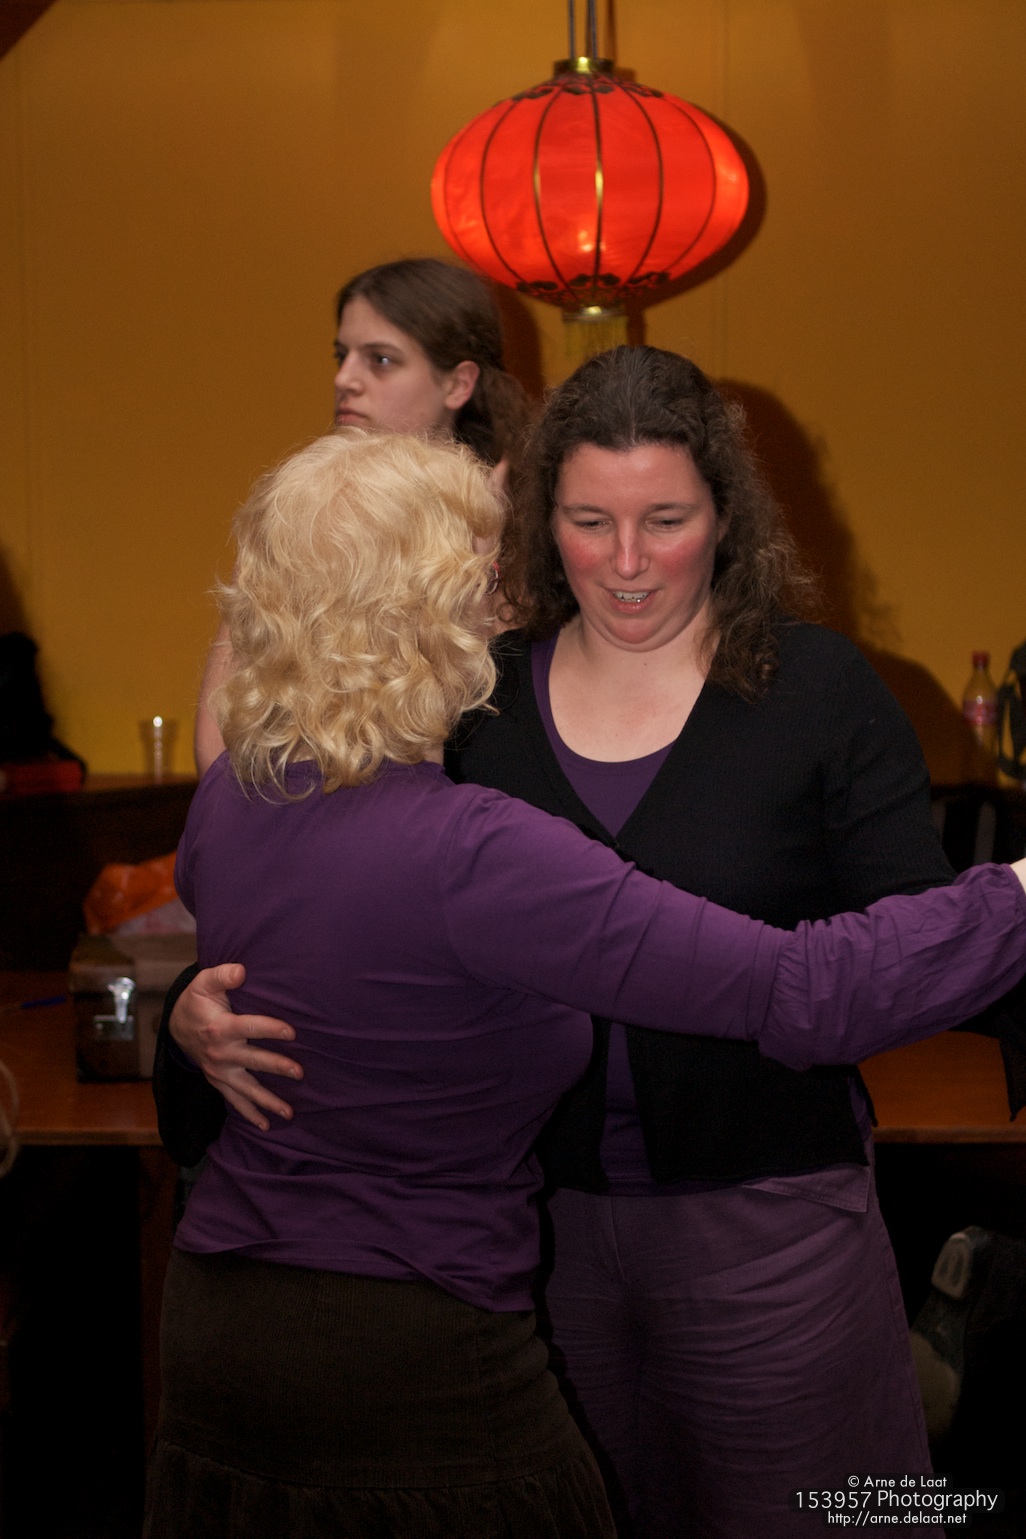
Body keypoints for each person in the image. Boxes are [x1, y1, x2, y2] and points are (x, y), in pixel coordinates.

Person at [158, 348, 1021, 1538]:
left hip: (756, 1227)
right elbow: (334, 926)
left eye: (665, 520)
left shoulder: (816, 690)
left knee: (832, 1510)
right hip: (519, 1257)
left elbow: (909, 940)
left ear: (727, 517)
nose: (623, 562)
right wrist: (189, 1009)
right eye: (584, 523)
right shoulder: (473, 732)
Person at [193, 256, 529, 775]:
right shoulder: (302, 516)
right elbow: (216, 749)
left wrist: (484, 568)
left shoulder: (521, 521)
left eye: (381, 360)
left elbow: (507, 724)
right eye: (342, 355)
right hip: (309, 808)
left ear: (458, 384)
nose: (345, 378)